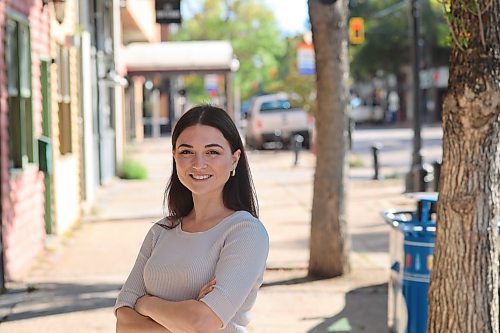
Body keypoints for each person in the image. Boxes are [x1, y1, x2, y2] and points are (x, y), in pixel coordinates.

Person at [114, 104, 269, 333]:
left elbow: (202, 324)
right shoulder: (161, 231)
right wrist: (188, 313)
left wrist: (146, 303)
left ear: (234, 159)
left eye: (212, 152)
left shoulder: (245, 232)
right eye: (186, 151)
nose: (198, 164)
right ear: (175, 156)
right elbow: (124, 324)